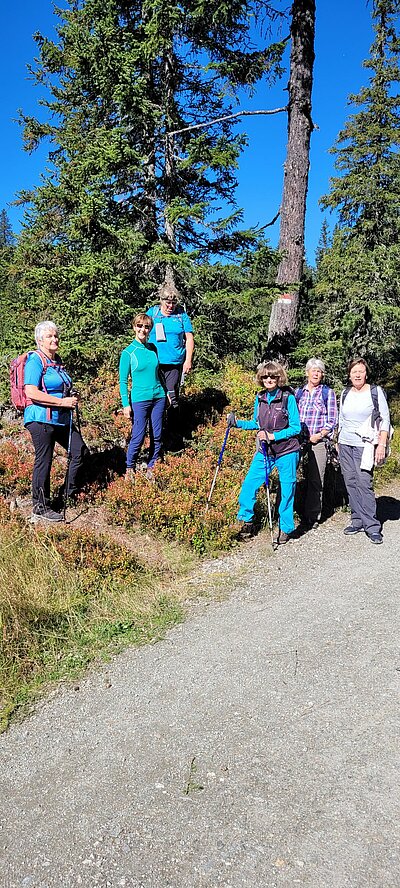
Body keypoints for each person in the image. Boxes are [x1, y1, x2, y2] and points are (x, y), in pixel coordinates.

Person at [229, 360, 301, 545]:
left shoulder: (287, 398)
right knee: (249, 485)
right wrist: (237, 423)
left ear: (279, 378)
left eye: (273, 376)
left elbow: (296, 427)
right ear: (261, 378)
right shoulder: (259, 398)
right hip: (265, 451)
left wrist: (273, 436)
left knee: (287, 490)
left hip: (287, 451)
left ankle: (285, 528)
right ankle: (247, 521)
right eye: (265, 376)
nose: (269, 379)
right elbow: (256, 424)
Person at [23, 321, 86, 523]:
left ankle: (67, 495)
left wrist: (70, 395)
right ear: (40, 340)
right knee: (44, 461)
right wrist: (62, 401)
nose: (54, 339)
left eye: (56, 336)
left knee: (79, 451)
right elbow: (31, 392)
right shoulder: (35, 361)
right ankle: (40, 507)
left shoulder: (57, 361)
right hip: (40, 418)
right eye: (50, 336)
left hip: (60, 418)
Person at [338, 357, 390, 544]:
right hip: (345, 443)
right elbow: (341, 420)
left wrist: (381, 445)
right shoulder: (345, 393)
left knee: (363, 482)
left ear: (366, 373)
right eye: (354, 371)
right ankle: (357, 520)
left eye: (360, 371)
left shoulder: (375, 392)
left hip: (365, 446)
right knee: (350, 482)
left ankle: (372, 526)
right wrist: (338, 442)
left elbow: (385, 420)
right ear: (349, 375)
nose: (357, 374)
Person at [119, 312, 167, 480]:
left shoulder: (153, 348)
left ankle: (152, 465)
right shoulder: (128, 353)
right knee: (138, 435)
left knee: (157, 433)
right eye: (139, 326)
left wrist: (166, 392)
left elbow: (159, 373)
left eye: (146, 327)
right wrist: (126, 404)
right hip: (140, 399)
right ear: (134, 327)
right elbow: (123, 381)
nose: (143, 330)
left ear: (150, 329)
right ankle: (130, 467)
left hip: (158, 396)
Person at [147, 282, 194, 449]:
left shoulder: (181, 315)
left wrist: (188, 360)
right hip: (153, 364)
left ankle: (172, 436)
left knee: (172, 398)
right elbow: (142, 332)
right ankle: (153, 433)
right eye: (167, 303)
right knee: (154, 397)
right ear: (161, 301)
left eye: (173, 303)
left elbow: (189, 338)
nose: (170, 306)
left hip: (173, 364)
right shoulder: (152, 313)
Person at [295, 358, 338, 528]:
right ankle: (290, 513)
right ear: (307, 373)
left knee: (315, 479)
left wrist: (319, 435)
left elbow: (332, 419)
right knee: (290, 475)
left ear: (322, 374)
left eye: (319, 371)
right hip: (298, 440)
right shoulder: (298, 393)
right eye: (313, 370)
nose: (316, 373)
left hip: (318, 440)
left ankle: (312, 516)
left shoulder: (328, 393)